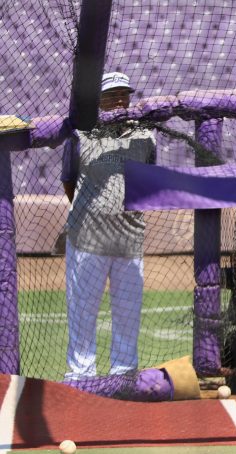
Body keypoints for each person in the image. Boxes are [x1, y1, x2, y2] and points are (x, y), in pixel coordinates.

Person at [61, 72, 156, 380]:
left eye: (123, 94)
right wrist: (97, 211)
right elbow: (69, 181)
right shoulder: (81, 135)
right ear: (98, 101)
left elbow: (149, 181)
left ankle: (123, 375)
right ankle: (81, 377)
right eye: (111, 95)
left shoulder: (146, 136)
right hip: (87, 238)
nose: (118, 101)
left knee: (128, 314)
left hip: (129, 239)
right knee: (82, 313)